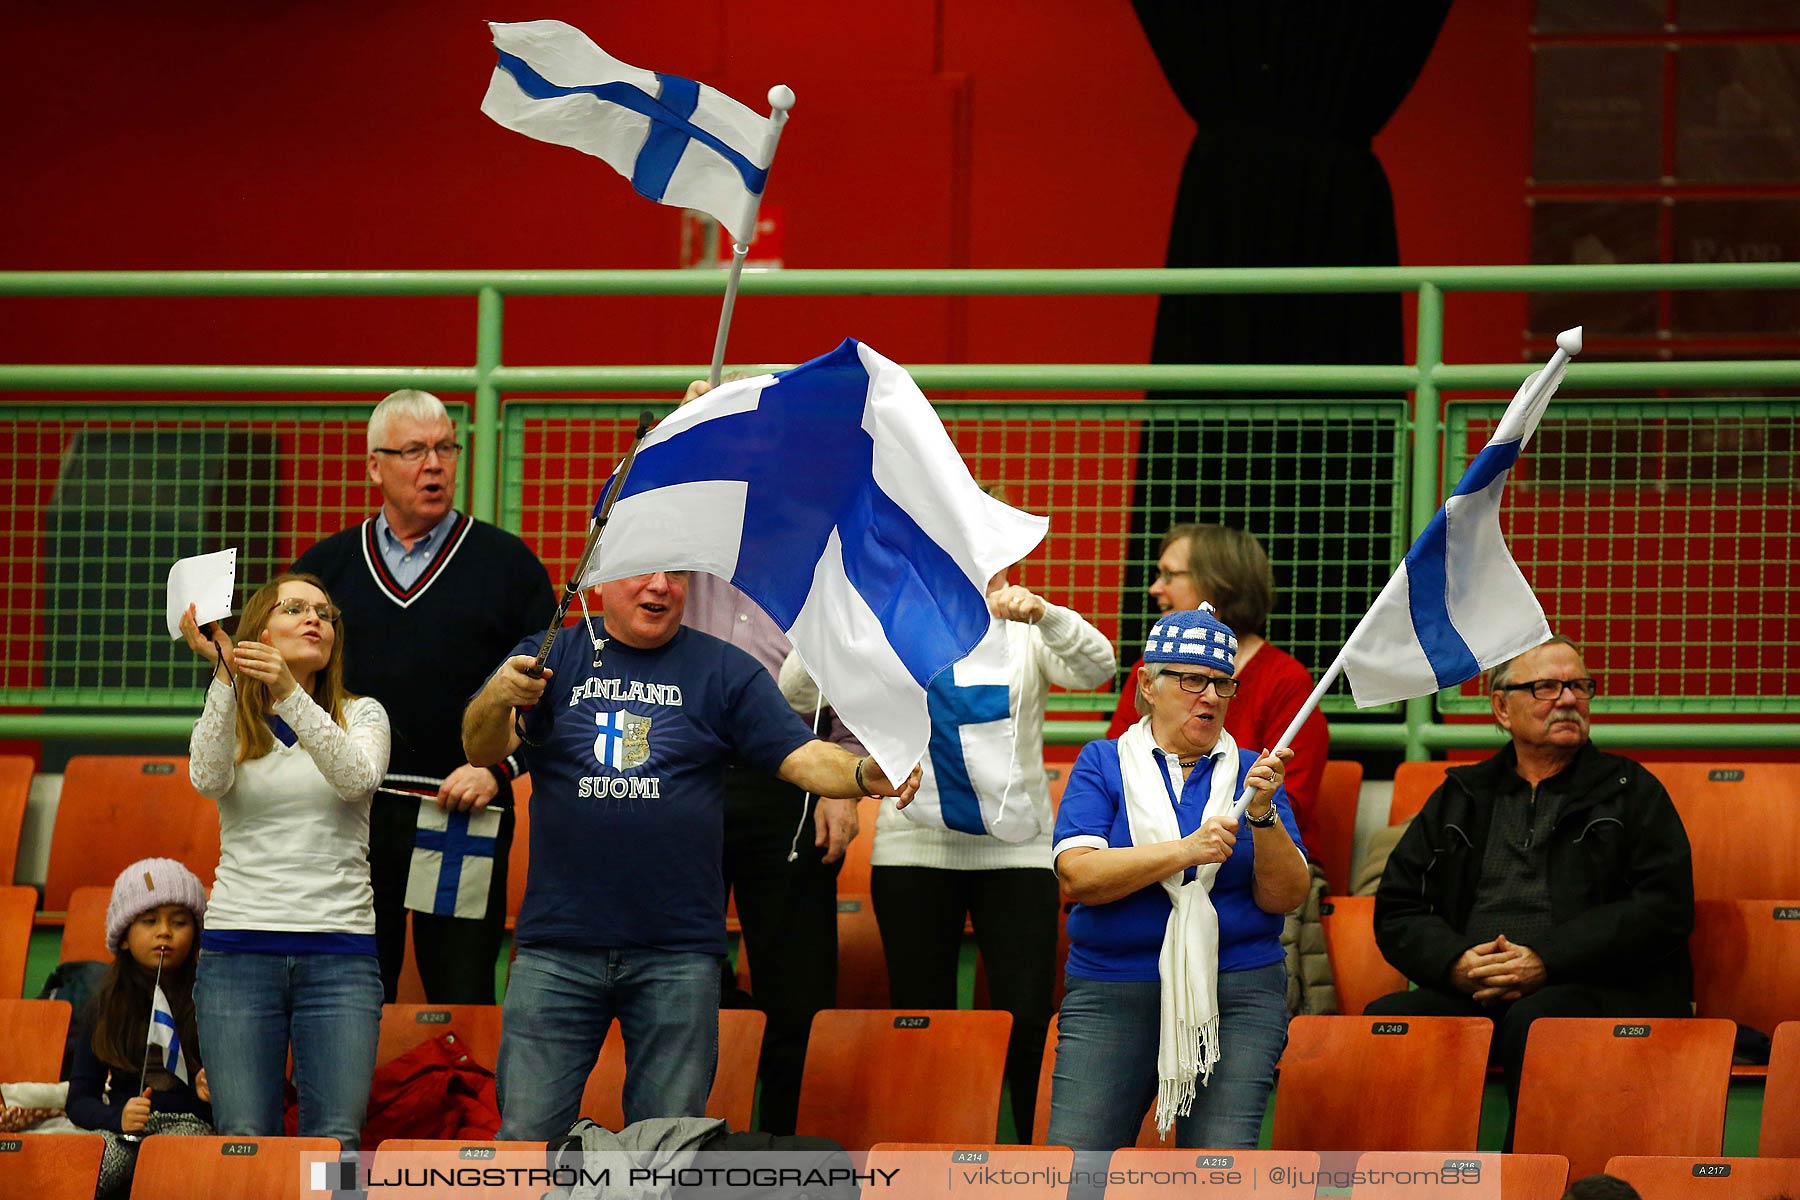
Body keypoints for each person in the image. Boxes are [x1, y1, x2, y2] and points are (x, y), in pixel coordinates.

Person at [463, 569, 920, 1141]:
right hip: (557, 947)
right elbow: (481, 747)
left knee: (665, 1154)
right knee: (527, 1142)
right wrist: (499, 695)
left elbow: (799, 755)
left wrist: (859, 772)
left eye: (675, 576)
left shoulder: (724, 668)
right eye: (644, 574)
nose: (660, 587)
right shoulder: (550, 654)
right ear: (604, 580)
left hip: (675, 954)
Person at [783, 567, 1115, 1141]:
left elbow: (1099, 667)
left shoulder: (1023, 627)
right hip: (913, 851)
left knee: (1029, 1019)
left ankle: (1040, 1161)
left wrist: (1046, 615)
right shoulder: (895, 624)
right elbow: (796, 690)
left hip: (1019, 856)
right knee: (922, 1017)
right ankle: (925, 1158)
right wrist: (843, 616)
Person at [1370, 634, 1695, 1143]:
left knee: (1537, 1020)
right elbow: (1397, 909)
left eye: (1578, 686)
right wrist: (1457, 963)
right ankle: (1409, 1182)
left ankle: (1535, 1182)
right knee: (1389, 1020)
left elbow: (1664, 910)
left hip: (1599, 988)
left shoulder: (1632, 791)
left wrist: (1545, 958)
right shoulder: (1461, 796)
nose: (1568, 699)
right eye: (1546, 687)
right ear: (1502, 707)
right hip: (1479, 987)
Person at [293, 388, 554, 1004]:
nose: (434, 464)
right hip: (350, 814)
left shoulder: (509, 566)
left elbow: (557, 693)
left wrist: (501, 768)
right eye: (414, 451)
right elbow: (286, 684)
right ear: (374, 466)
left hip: (460, 811)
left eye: (444, 448)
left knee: (460, 990)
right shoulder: (323, 571)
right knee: (351, 991)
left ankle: (465, 1104)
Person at [674, 375, 864, 1137]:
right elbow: (617, 520)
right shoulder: (685, 516)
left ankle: (781, 1153)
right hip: (683, 765)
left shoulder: (829, 540)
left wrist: (846, 776)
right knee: (677, 979)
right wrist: (685, 433)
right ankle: (680, 1145)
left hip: (796, 771)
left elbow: (858, 657)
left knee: (799, 989)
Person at [1047, 603, 1310, 1150]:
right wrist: (1185, 851)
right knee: (1077, 1171)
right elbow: (1079, 876)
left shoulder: (1254, 773)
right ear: (1147, 684)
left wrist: (1262, 814)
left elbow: (1284, 896)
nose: (1209, 697)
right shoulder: (1102, 762)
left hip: (1237, 987)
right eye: (1191, 680)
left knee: (1216, 1177)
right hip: (1114, 986)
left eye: (1222, 684)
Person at [180, 573, 389, 1148]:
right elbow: (207, 777)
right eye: (294, 608)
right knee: (244, 1137)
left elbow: (355, 779)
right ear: (259, 631)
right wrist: (226, 673)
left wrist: (290, 695)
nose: (314, 618)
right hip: (238, 955)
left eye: (324, 611)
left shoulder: (363, 713)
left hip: (340, 954)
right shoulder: (234, 714)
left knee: (337, 1141)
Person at [1106, 524, 1328, 848]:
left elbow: (1287, 802)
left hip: (1246, 863)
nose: (1155, 588)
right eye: (1192, 681)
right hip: (1147, 853)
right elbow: (1118, 777)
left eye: (1169, 575)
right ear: (1148, 685)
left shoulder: (1285, 679)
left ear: (1218, 583)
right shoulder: (1152, 667)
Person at [68, 859, 214, 1199]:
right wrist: (117, 1116)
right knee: (82, 1173)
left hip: (189, 1126)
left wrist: (213, 1094)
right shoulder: (105, 1006)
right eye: (149, 921)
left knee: (173, 1173)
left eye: (179, 922)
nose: (165, 931)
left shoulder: (209, 1000)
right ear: (122, 937)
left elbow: (238, 1107)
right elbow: (78, 1100)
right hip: (119, 1129)